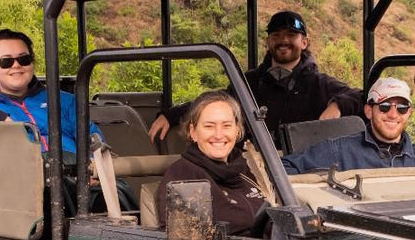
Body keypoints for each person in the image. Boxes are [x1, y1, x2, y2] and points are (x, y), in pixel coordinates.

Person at [147, 10, 361, 144]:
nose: (283, 41)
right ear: (268, 42)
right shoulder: (249, 82)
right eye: (276, 35)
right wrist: (171, 115)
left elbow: (361, 97)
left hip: (303, 169)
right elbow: (215, 102)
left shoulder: (320, 84)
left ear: (304, 42)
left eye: (291, 35)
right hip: (253, 167)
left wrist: (337, 106)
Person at [282, 77, 415, 173]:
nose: (393, 114)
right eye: (385, 107)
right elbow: (285, 167)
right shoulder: (339, 151)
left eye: (401, 108)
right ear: (368, 111)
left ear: (409, 113)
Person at [156, 91, 266, 236]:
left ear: (237, 130)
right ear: (193, 132)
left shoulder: (252, 169)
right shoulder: (182, 177)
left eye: (226, 125)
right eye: (209, 126)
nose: (219, 135)